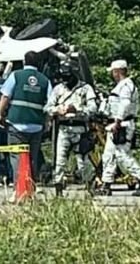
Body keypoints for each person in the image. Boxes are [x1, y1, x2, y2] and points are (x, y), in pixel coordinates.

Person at [96, 59, 140, 197]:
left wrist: (118, 121)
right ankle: (106, 184)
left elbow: (125, 104)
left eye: (114, 72)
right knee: (108, 156)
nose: (112, 74)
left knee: (122, 156)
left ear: (118, 71)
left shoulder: (126, 86)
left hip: (122, 125)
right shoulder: (120, 86)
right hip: (115, 125)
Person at [44, 60, 98, 197]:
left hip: (80, 128)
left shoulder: (85, 89)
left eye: (68, 77)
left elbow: (93, 108)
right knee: (60, 160)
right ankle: (58, 188)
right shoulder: (58, 89)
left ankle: (89, 184)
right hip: (63, 128)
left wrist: (78, 110)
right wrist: (58, 110)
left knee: (83, 160)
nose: (65, 80)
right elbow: (48, 107)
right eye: (63, 77)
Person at [0, 51, 52, 184]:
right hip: (36, 125)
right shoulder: (45, 80)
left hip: (16, 123)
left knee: (17, 157)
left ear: (24, 62)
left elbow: (5, 96)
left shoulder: (15, 75)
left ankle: (20, 190)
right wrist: (47, 122)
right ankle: (30, 188)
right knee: (32, 158)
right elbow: (51, 103)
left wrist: (0, 114)